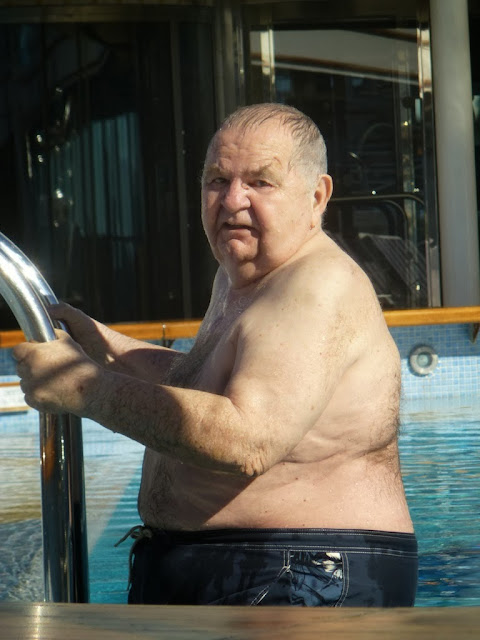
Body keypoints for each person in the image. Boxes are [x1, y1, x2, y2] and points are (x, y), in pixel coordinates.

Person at [13, 103, 417, 607]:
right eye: (217, 180)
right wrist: (100, 345)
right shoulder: (238, 279)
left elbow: (248, 440)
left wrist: (85, 389)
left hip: (306, 570)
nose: (232, 200)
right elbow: (202, 384)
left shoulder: (317, 285)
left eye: (260, 182)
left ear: (317, 196)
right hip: (248, 564)